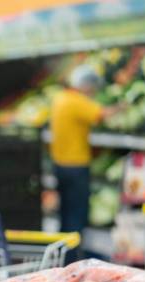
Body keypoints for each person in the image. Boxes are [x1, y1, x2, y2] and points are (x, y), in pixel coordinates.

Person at [50, 65, 122, 238]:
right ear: (85, 85)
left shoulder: (60, 98)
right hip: (76, 165)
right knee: (77, 214)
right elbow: (101, 114)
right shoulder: (76, 101)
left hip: (60, 164)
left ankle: (65, 251)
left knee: (65, 211)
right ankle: (74, 256)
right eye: (92, 88)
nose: (93, 93)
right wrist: (123, 106)